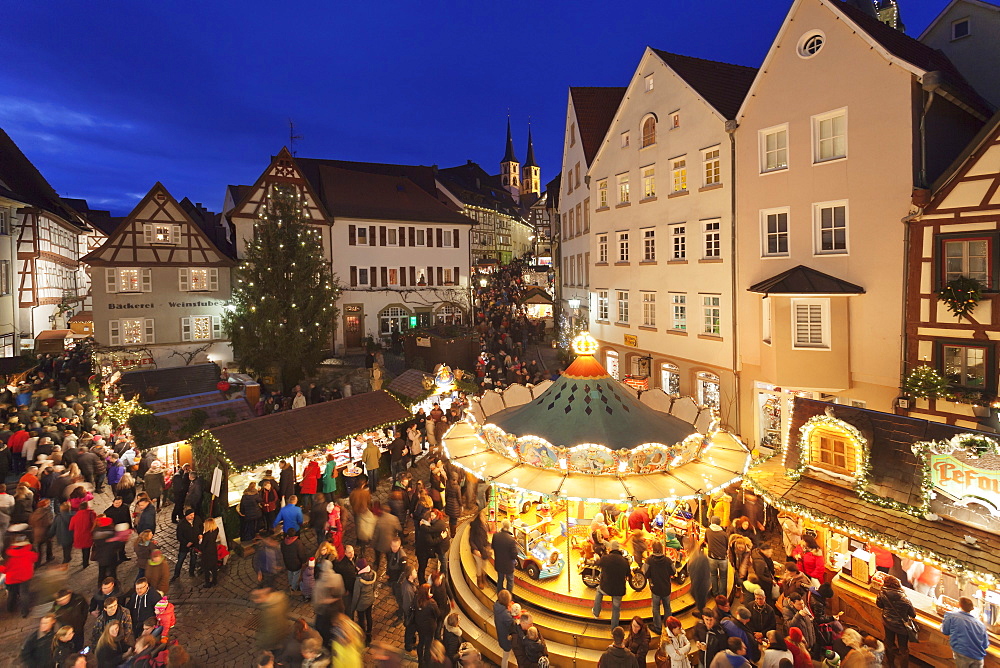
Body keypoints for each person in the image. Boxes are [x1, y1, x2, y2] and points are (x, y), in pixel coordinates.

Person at [876, 575, 916, 667]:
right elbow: (913, 614)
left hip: (888, 623)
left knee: (889, 644)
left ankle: (890, 664)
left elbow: (879, 605)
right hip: (902, 627)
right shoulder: (905, 599)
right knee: (903, 649)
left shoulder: (882, 594)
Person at [592, 540, 630, 631]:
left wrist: (596, 559)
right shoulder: (625, 561)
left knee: (599, 591)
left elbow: (597, 564)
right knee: (616, 608)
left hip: (606, 586)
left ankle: (596, 612)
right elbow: (628, 574)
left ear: (611, 549)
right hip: (619, 589)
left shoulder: (605, 558)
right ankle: (614, 629)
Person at [942, 596, 988, 668]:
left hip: (963, 653)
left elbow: (945, 631)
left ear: (959, 605)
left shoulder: (951, 616)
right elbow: (985, 645)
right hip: (978, 657)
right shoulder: (981, 625)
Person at [3, 530, 38, 616]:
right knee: (24, 594)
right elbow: (35, 559)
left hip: (12, 578)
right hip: (25, 577)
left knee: (11, 594)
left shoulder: (8, 555)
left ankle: (10, 609)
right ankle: (24, 612)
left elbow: (3, 569)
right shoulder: (29, 553)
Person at [644, 539, 676, 634]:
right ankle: (669, 626)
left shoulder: (649, 560)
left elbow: (645, 573)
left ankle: (657, 628)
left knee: (656, 609)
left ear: (652, 549)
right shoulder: (667, 560)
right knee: (667, 607)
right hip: (666, 587)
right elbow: (673, 571)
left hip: (655, 588)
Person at [350, 558, 377, 645]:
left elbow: (356, 595)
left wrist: (353, 608)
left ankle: (363, 636)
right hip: (370, 600)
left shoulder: (359, 580)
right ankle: (369, 633)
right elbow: (374, 587)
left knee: (361, 620)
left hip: (361, 604)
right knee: (369, 616)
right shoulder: (373, 574)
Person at [415, 583, 440, 665]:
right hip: (429, 627)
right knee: (428, 644)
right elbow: (437, 614)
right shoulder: (431, 603)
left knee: (421, 642)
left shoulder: (416, 599)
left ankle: (420, 660)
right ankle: (426, 661)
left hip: (419, 625)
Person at [172, 508, 199, 581]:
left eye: (193, 515)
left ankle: (192, 572)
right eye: (190, 515)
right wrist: (186, 543)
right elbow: (179, 536)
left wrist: (200, 534)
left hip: (195, 543)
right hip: (185, 545)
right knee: (180, 559)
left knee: (193, 558)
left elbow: (200, 527)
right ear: (186, 516)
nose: (192, 516)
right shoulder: (181, 524)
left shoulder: (197, 520)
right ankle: (176, 574)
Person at [492, 519, 517, 592]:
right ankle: (508, 597)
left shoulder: (495, 536)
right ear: (509, 527)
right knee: (510, 581)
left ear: (502, 526)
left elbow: (493, 547)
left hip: (499, 563)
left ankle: (499, 592)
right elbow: (514, 555)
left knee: (500, 579)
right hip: (508, 566)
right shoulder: (511, 540)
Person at [706, 517, 729, 598]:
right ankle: (722, 594)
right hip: (722, 558)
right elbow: (727, 545)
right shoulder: (724, 534)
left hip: (712, 557)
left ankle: (715, 592)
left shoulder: (708, 531)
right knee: (723, 577)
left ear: (711, 522)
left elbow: (706, 541)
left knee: (713, 575)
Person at [69, 500, 95, 569]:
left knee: (83, 548)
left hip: (79, 535)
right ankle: (85, 563)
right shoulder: (91, 513)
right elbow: (95, 523)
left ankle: (84, 561)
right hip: (88, 535)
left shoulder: (74, 516)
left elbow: (71, 528)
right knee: (87, 549)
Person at [468, 510, 491, 589]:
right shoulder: (474, 526)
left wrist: (488, 545)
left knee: (484, 565)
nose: (484, 518)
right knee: (479, 566)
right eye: (482, 517)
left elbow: (485, 538)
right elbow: (471, 539)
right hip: (477, 549)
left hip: (483, 549)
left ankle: (484, 579)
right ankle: (479, 581)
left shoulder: (485, 525)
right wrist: (475, 549)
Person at [493, 589, 515, 668]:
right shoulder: (505, 614)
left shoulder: (496, 606)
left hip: (501, 636)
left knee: (506, 655)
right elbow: (513, 624)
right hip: (506, 640)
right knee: (505, 657)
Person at [281, 527, 307, 593]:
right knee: (296, 575)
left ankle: (290, 584)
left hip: (287, 562)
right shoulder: (297, 543)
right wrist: (304, 561)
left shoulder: (283, 542)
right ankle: (294, 587)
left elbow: (282, 551)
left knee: (290, 572)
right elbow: (301, 554)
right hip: (296, 563)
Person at [201, 517, 221, 588]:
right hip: (213, 550)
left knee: (206, 569)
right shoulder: (216, 530)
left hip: (207, 553)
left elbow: (203, 546)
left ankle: (207, 583)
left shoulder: (206, 535)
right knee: (214, 567)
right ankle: (214, 581)